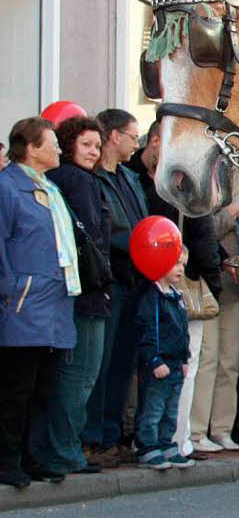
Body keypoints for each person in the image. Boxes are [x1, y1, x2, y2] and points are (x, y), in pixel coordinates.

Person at [127, 121, 222, 458]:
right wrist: (214, 282)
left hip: (164, 282)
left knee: (171, 374)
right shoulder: (183, 198)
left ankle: (166, 440)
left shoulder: (146, 189)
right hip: (178, 284)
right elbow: (203, 241)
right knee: (177, 374)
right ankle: (169, 441)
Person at [0, 117, 80, 487]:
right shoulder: (7, 187)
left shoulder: (48, 187)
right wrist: (11, 289)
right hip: (23, 304)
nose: (60, 149)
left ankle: (30, 456)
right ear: (31, 148)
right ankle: (7, 460)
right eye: (53, 143)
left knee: (41, 390)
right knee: (16, 389)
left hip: (52, 304)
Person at [33, 117, 111, 476]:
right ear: (67, 146)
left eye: (97, 145)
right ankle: (64, 451)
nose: (94, 152)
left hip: (76, 292)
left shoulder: (65, 180)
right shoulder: (77, 182)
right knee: (79, 376)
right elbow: (91, 238)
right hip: (85, 293)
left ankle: (59, 448)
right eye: (86, 145)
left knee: (70, 377)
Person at [85, 109, 146, 467]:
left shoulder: (129, 176)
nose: (136, 143)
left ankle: (110, 436)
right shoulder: (92, 179)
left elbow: (140, 221)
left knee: (122, 364)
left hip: (134, 279)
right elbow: (108, 230)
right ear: (114, 136)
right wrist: (140, 242)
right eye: (132, 136)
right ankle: (92, 438)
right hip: (108, 280)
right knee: (100, 363)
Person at [193, 187, 239, 451]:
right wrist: (231, 214)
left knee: (229, 364)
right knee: (206, 360)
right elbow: (203, 234)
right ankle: (196, 431)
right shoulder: (207, 190)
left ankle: (221, 429)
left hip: (235, 290)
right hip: (209, 286)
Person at [134, 246, 195, 470]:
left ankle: (165, 442)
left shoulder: (176, 296)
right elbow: (147, 330)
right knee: (153, 408)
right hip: (159, 363)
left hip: (175, 364)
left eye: (183, 265)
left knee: (171, 410)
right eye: (176, 263)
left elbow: (182, 331)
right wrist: (153, 359)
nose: (180, 269)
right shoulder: (153, 296)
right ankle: (147, 446)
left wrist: (185, 358)